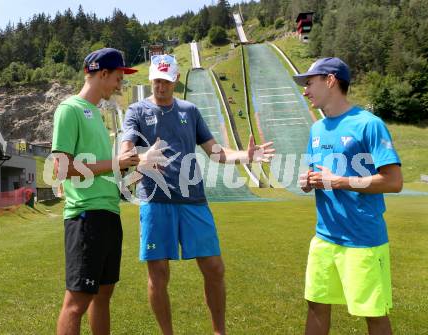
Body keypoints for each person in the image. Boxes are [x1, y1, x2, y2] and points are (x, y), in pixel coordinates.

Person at [120, 54, 275, 335]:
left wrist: (246, 155)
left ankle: (219, 332)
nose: (160, 86)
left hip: (193, 201)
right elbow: (125, 151)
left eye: (166, 81)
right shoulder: (137, 111)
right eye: (156, 80)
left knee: (214, 268)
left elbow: (216, 152)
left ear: (176, 79)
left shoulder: (190, 111)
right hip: (155, 201)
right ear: (150, 78)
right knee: (158, 275)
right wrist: (138, 159)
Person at [294, 57, 403, 335]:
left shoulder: (369, 124)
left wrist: (339, 181)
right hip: (324, 237)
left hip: (363, 240)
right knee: (316, 305)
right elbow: (315, 172)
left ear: (330, 80)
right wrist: (308, 180)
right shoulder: (316, 129)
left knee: (373, 314)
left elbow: (393, 181)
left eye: (310, 83)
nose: (305, 90)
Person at [52, 48, 139, 335]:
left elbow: (102, 168)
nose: (119, 85)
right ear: (102, 74)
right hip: (86, 216)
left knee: (103, 296)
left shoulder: (96, 115)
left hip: (108, 213)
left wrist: (133, 166)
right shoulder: (70, 109)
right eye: (117, 78)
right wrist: (116, 163)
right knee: (77, 302)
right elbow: (61, 168)